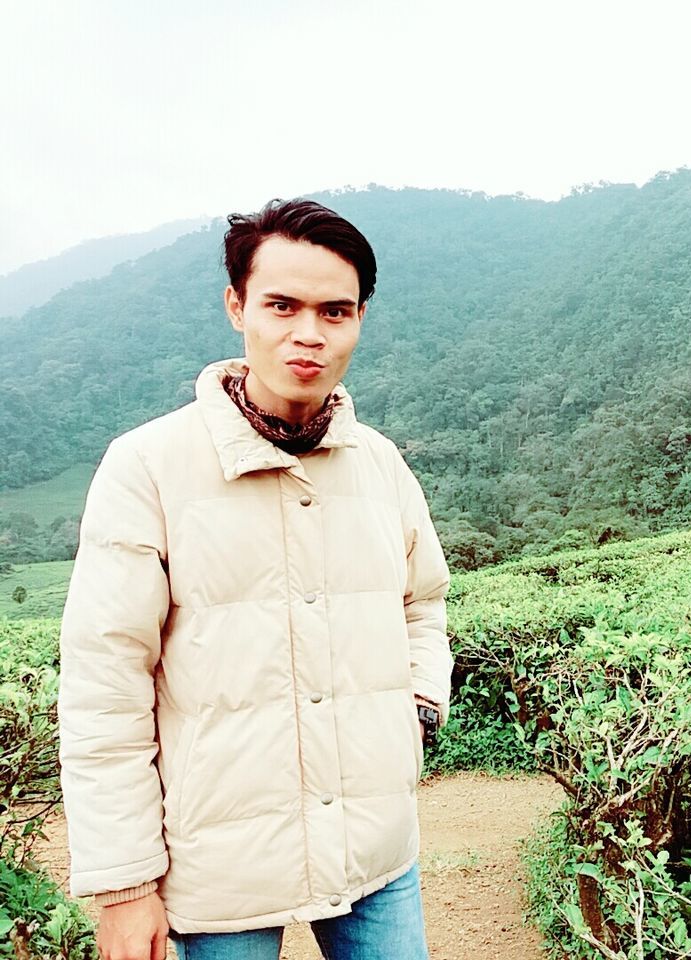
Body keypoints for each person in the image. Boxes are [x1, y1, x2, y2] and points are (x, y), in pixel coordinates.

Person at [57, 199, 451, 960]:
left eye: (335, 311)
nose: (309, 333)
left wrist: (418, 707)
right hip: (217, 865)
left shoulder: (381, 465)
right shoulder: (147, 468)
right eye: (282, 305)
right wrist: (126, 887)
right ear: (237, 305)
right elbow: (105, 686)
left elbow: (422, 604)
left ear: (360, 318)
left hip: (376, 845)